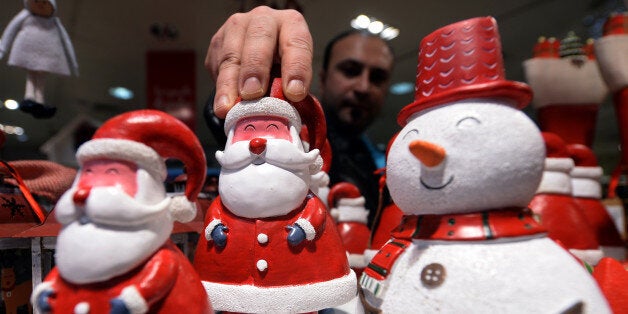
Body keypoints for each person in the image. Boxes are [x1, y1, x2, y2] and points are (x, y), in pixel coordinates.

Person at [206, 6, 394, 227]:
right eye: (351, 70)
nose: (363, 87)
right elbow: (227, 117)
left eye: (378, 78)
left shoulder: (387, 160)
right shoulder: (293, 137)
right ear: (322, 79)